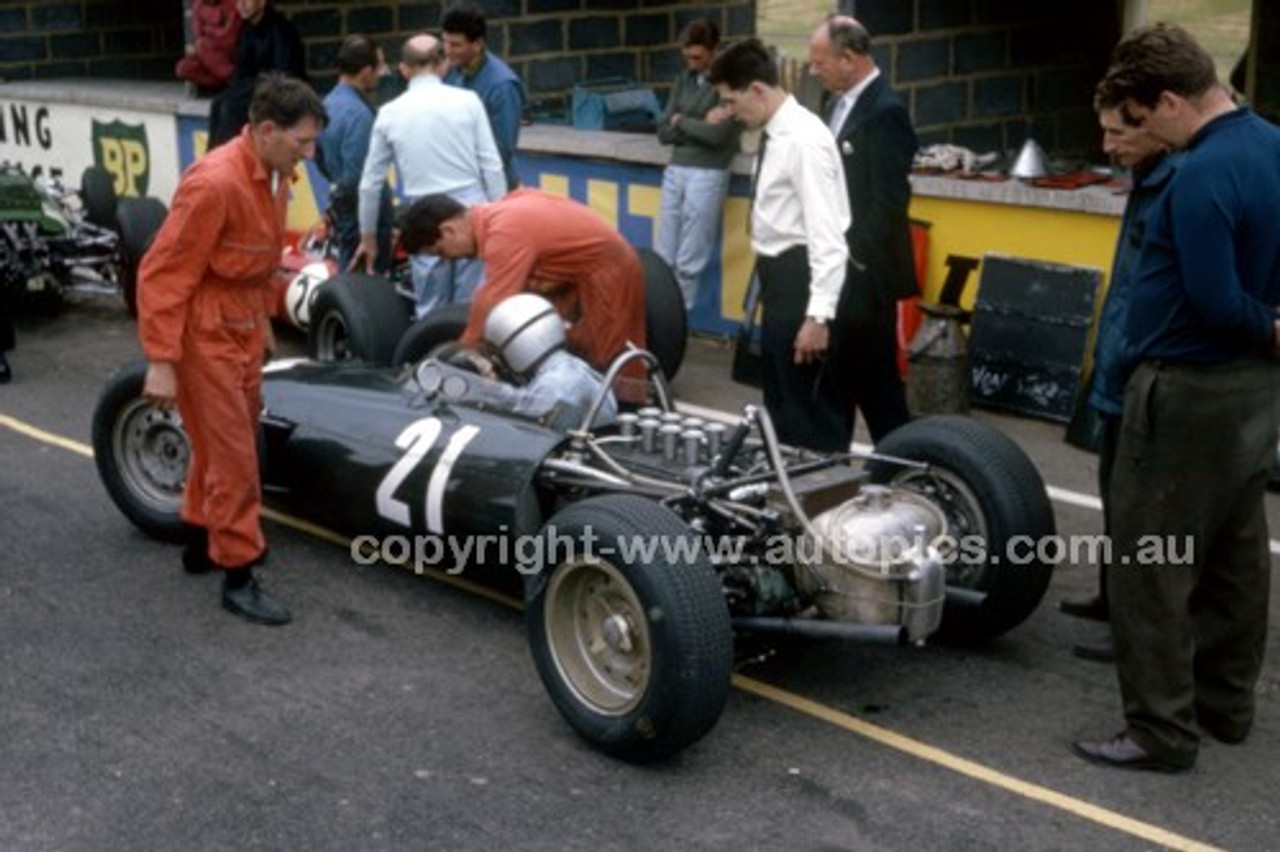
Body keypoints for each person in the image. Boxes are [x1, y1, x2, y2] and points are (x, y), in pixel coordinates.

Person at [1073, 23, 1280, 773]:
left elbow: (1219, 304)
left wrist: (1272, 328)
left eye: (1140, 116)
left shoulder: (1198, 172)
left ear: (1169, 100)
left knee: (1151, 564)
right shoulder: (1271, 145)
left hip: (1188, 388)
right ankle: (1226, 706)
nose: (1137, 134)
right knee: (1235, 555)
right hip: (1253, 397)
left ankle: (1161, 731)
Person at [138, 74, 327, 627]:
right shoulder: (214, 184)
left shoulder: (275, 173)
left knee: (232, 440)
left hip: (242, 322)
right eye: (302, 142)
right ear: (266, 130)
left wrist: (264, 319)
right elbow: (163, 273)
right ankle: (238, 574)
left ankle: (200, 539)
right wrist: (161, 360)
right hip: (204, 330)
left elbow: (262, 255)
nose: (309, 154)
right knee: (236, 457)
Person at [1060, 99, 1175, 663]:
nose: (1106, 146)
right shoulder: (1147, 177)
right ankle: (1113, 599)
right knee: (1116, 497)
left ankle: (1135, 625)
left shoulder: (1175, 184)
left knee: (1141, 510)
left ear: (1153, 122)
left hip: (1142, 370)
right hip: (1118, 366)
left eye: (1115, 133)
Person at [708, 38, 852, 453]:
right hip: (776, 278)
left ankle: (820, 503)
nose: (731, 112)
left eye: (732, 101)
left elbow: (828, 237)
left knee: (808, 409)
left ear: (757, 89)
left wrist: (818, 317)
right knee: (781, 406)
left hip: (801, 279)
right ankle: (786, 496)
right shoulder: (773, 134)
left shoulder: (804, 140)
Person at [396, 189, 646, 387]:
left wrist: (459, 355)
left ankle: (627, 422)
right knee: (559, 350)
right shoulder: (503, 207)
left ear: (448, 230)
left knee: (609, 366)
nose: (448, 260)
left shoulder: (503, 233)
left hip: (608, 271)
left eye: (441, 252)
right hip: (576, 275)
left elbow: (492, 300)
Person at [807, 15, 914, 444]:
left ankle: (908, 465)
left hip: (866, 278)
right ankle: (835, 472)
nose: (814, 72)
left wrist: (853, 260)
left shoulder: (886, 112)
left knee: (878, 385)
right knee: (837, 383)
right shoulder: (834, 105)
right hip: (837, 269)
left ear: (848, 58)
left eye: (820, 63)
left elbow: (888, 203)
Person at [354, 32, 505, 316]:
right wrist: (501, 220)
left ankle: (430, 356)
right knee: (471, 309)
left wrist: (368, 236)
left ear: (404, 69)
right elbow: (492, 167)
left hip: (424, 217)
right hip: (473, 211)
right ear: (444, 64)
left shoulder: (388, 113)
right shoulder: (469, 101)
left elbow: (370, 185)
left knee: (431, 310)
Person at [416, 293, 617, 432]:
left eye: (500, 354)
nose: (498, 363)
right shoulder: (571, 367)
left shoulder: (556, 385)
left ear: (517, 347)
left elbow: (526, 419)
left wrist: (480, 386)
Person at [655, 18, 740, 311]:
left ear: (715, 51)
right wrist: (695, 122)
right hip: (677, 168)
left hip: (708, 171)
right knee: (664, 252)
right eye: (687, 56)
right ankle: (661, 314)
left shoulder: (729, 83)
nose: (691, 62)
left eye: (698, 57)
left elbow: (718, 136)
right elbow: (663, 131)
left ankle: (679, 319)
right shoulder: (683, 79)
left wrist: (681, 119)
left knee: (690, 257)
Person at [317, 34, 392, 273]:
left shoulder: (326, 104)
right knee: (363, 287)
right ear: (366, 71)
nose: (382, 73)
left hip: (344, 207)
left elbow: (317, 154)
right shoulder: (360, 116)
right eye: (379, 67)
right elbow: (358, 178)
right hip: (363, 216)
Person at [442, 3, 526, 191]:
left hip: (493, 188)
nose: (447, 51)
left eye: (455, 45)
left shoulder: (502, 86)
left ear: (477, 44)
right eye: (445, 42)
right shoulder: (450, 72)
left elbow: (501, 150)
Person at [207, 0, 306, 149]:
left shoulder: (281, 30)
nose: (241, 5)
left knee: (231, 107)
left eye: (246, 0)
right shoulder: (246, 30)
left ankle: (228, 159)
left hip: (282, 90)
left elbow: (285, 74)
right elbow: (241, 72)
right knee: (218, 103)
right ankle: (213, 159)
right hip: (255, 87)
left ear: (261, 2)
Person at [175, 0, 240, 94]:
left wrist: (209, 30)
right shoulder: (198, 6)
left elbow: (230, 36)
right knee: (183, 68)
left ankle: (234, 79)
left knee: (203, 45)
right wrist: (217, 32)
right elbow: (198, 36)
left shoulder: (231, 3)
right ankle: (229, 79)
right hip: (208, 55)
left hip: (230, 51)